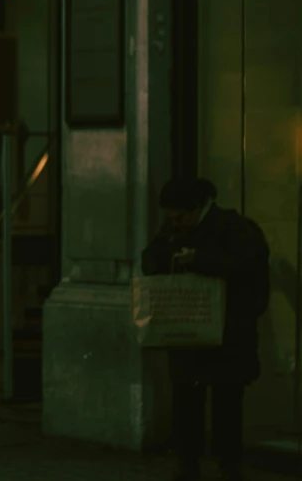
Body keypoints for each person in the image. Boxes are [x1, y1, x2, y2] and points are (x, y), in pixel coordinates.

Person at [141, 178, 270, 481]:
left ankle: (228, 463)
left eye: (179, 216)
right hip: (191, 332)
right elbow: (150, 258)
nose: (174, 223)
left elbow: (248, 265)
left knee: (226, 401)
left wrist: (200, 260)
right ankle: (189, 461)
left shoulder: (233, 227)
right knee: (187, 399)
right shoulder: (176, 229)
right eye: (170, 218)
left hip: (229, 332)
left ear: (197, 208)